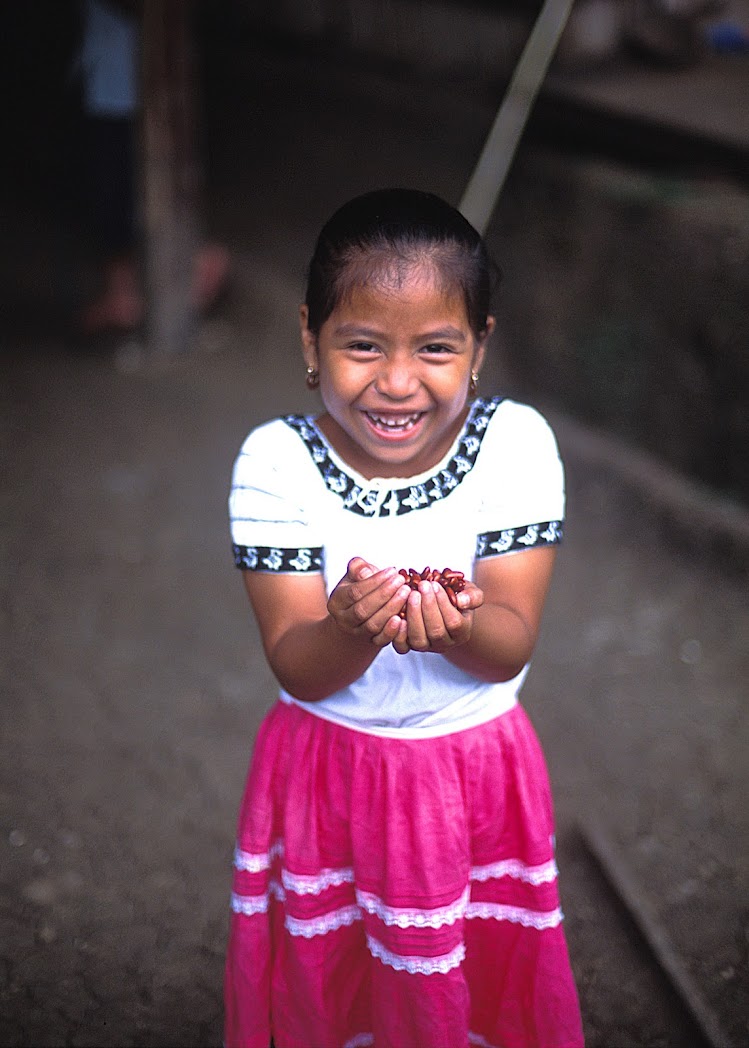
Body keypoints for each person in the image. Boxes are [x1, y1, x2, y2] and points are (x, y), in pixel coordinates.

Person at [224, 188, 584, 1048]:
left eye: (434, 348)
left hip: (474, 769)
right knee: (340, 986)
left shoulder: (515, 444)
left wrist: (459, 626)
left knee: (462, 990)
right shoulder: (275, 464)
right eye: (360, 345)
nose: (395, 381)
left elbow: (508, 647)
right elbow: (297, 664)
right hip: (328, 770)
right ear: (310, 338)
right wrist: (349, 626)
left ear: (480, 346)